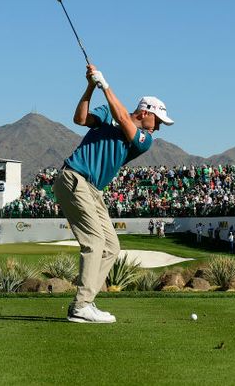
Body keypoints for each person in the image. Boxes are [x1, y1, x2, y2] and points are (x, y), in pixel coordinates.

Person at [53, 64, 174, 324]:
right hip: (74, 178)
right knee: (95, 243)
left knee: (111, 246)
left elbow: (124, 121)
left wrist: (104, 85)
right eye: (159, 121)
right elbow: (80, 119)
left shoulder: (144, 139)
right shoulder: (108, 112)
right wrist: (90, 87)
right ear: (145, 112)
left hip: (93, 189)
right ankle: (81, 305)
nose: (159, 128)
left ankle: (86, 302)